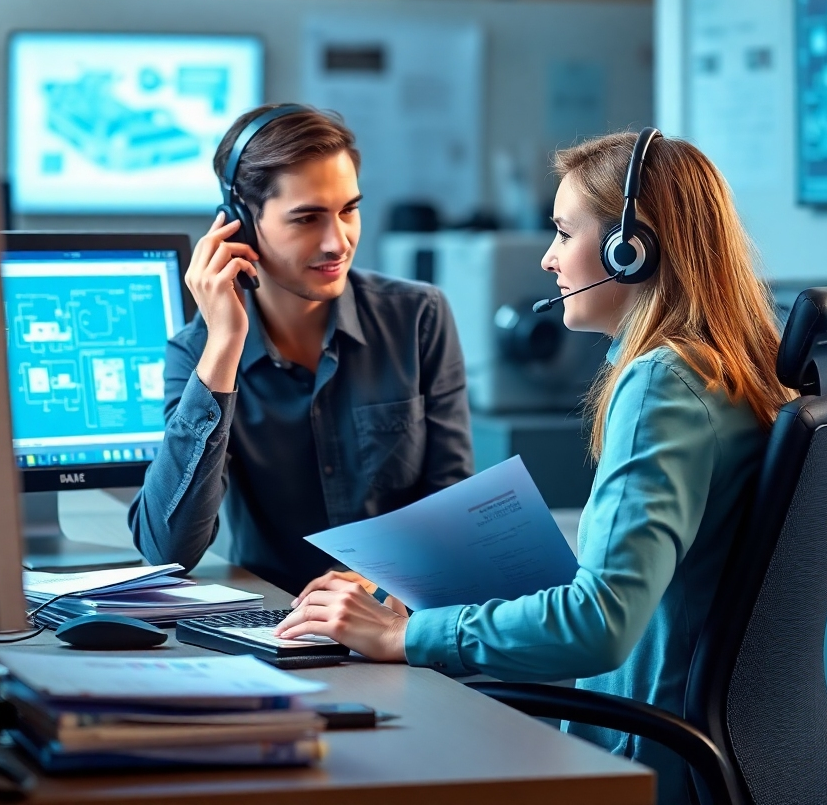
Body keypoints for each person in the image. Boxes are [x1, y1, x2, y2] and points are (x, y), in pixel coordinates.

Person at [273, 129, 788, 804]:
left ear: (629, 251)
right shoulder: (737, 364)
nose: (548, 258)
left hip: (650, 761)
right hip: (735, 753)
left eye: (564, 233)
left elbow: (600, 624)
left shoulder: (662, 384)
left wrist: (404, 635)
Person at [128, 104, 473, 595]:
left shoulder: (418, 317)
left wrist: (378, 584)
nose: (338, 242)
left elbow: (453, 510)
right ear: (241, 224)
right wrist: (224, 344)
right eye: (307, 218)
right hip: (276, 624)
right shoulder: (198, 353)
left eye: (349, 210)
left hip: (399, 618)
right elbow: (166, 551)